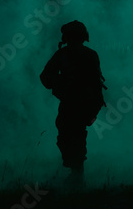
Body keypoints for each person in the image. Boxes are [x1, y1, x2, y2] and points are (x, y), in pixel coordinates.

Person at [40, 20, 105, 184]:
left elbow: (46, 78)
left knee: (70, 136)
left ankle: (77, 173)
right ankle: (76, 171)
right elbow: (47, 77)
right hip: (78, 102)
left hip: (76, 103)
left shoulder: (66, 54)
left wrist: (61, 84)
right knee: (71, 136)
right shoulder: (87, 54)